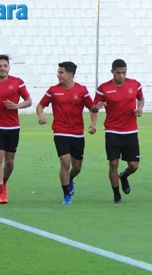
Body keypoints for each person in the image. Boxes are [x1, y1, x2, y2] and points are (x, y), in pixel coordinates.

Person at [36, 62, 96, 204]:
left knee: (77, 167)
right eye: (58, 72)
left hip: (77, 133)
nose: (58, 75)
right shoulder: (53, 90)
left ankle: (70, 179)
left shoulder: (82, 90)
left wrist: (93, 123)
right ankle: (66, 195)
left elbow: (92, 108)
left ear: (70, 74)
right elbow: (40, 105)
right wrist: (41, 116)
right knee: (65, 162)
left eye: (61, 72)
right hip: (60, 131)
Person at [91, 59, 144, 204]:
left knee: (134, 165)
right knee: (113, 163)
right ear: (112, 72)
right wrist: (97, 106)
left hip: (131, 131)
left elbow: (141, 99)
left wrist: (140, 109)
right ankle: (116, 195)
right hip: (112, 131)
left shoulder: (135, 84)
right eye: (118, 73)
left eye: (124, 73)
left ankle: (124, 176)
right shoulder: (103, 88)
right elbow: (93, 107)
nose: (121, 76)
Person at [0, 55, 32, 204]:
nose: (2, 68)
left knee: (9, 161)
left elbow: (28, 101)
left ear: (9, 67)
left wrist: (17, 106)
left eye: (5, 65)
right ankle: (1, 192)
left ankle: (3, 182)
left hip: (12, 126)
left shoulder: (17, 82)